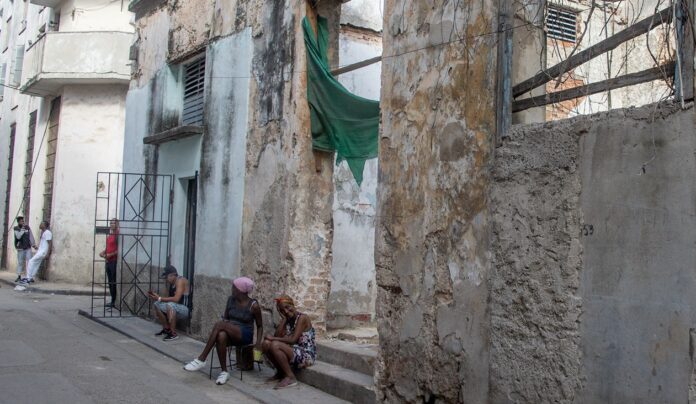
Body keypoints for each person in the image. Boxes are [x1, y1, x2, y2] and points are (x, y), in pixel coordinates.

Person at [183, 277, 263, 386]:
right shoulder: (231, 300)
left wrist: (258, 343)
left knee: (219, 324)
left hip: (244, 334)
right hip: (230, 330)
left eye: (233, 287)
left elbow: (260, 326)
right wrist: (226, 325)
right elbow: (226, 318)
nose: (232, 289)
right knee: (221, 335)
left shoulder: (254, 306)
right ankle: (224, 372)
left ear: (241, 290)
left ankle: (202, 358)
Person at [262, 295, 316, 389]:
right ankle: (280, 373)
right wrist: (284, 319)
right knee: (266, 344)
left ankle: (290, 377)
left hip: (306, 354)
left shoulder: (302, 318)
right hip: (293, 350)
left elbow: (292, 340)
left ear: (292, 304)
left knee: (274, 344)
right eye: (282, 311)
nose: (286, 311)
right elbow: (277, 336)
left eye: (287, 307)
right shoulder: (287, 319)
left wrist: (272, 339)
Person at [148, 265, 190, 342]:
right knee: (157, 304)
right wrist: (157, 297)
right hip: (174, 307)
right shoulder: (171, 283)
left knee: (170, 304)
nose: (166, 279)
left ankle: (173, 333)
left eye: (167, 277)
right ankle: (166, 329)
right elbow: (167, 298)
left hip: (184, 309)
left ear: (173, 275)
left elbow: (176, 299)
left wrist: (160, 298)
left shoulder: (180, 281)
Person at [99, 218, 119, 309]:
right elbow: (109, 247)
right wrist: (103, 252)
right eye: (110, 223)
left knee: (113, 282)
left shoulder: (118, 234)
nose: (111, 224)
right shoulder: (110, 235)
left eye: (113, 223)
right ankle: (112, 300)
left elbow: (120, 249)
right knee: (110, 282)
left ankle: (114, 301)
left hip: (114, 261)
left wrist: (110, 254)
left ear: (117, 224)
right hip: (108, 261)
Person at [13, 216, 36, 282]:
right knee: (20, 262)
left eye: (23, 221)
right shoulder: (16, 228)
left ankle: (30, 277)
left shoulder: (27, 227)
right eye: (21, 221)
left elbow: (30, 236)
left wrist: (33, 244)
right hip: (20, 248)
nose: (23, 222)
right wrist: (22, 229)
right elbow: (18, 237)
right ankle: (19, 276)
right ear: (18, 222)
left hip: (28, 247)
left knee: (30, 262)